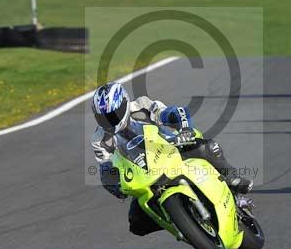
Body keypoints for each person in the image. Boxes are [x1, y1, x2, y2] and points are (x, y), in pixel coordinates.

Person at [90, 82, 253, 236]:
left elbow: (174, 112)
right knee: (136, 223)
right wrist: (116, 186)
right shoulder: (100, 139)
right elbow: (106, 168)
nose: (109, 121)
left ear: (124, 103)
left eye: (112, 115)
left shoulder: (142, 106)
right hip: (143, 174)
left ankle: (232, 178)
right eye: (103, 118)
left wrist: (185, 129)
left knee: (207, 147)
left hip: (172, 149)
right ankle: (179, 221)